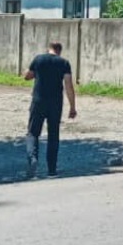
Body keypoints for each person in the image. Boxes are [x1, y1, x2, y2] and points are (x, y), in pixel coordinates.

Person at [22, 42, 77, 178]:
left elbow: (27, 76)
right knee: (53, 135)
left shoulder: (39, 59)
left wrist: (31, 72)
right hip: (55, 103)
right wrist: (72, 107)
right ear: (60, 51)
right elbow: (68, 85)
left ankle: (33, 159)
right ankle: (51, 169)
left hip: (38, 101)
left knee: (33, 133)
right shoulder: (64, 63)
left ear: (49, 49)